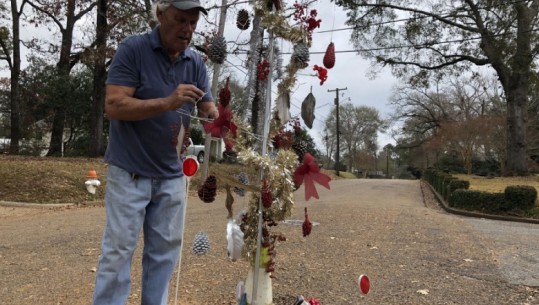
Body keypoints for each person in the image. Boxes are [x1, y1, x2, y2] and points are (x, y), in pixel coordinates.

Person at [92, 0, 218, 304]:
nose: (187, 30)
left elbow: (209, 109)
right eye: (180, 20)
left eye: (193, 22)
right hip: (129, 173)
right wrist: (167, 102)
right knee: (118, 253)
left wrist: (221, 121)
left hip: (173, 176)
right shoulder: (133, 50)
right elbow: (114, 105)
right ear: (160, 15)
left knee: (164, 256)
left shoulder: (196, 63)